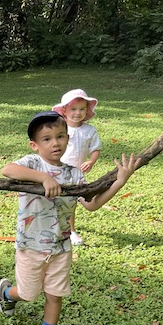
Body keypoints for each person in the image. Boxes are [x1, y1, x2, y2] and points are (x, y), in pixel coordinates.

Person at [0, 111, 141, 325]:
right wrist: (44, 178)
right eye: (47, 139)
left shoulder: (75, 174)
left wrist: (119, 182)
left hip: (61, 247)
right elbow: (7, 169)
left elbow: (92, 204)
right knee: (29, 293)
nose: (55, 143)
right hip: (31, 245)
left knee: (55, 293)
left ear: (68, 139)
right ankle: (7, 293)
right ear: (35, 145)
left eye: (61, 136)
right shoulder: (32, 163)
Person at [53, 89, 102, 246]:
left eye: (82, 109)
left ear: (87, 110)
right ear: (64, 111)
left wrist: (91, 161)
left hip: (77, 174)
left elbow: (95, 148)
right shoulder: (60, 128)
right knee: (55, 202)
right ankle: (52, 227)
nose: (77, 113)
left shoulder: (89, 130)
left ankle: (71, 231)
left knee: (72, 202)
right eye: (73, 109)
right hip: (58, 171)